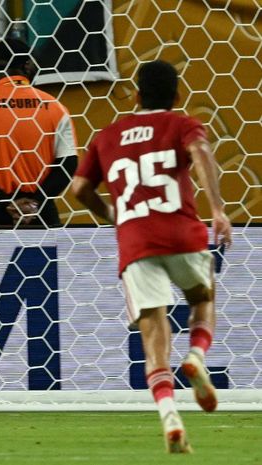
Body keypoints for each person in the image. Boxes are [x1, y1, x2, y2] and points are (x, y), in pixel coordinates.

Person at [71, 60, 233, 453]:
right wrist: (217, 209)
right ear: (177, 96)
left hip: (136, 242)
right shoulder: (182, 124)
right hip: (181, 232)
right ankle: (196, 356)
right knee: (202, 299)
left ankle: (170, 417)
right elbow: (200, 152)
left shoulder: (107, 136)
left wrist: (113, 215)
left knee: (154, 337)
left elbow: (78, 188)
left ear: (137, 96)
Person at [0, 38, 77, 228]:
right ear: (26, 65)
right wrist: (35, 202)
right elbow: (68, 164)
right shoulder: (55, 107)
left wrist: (5, 202)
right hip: (39, 212)